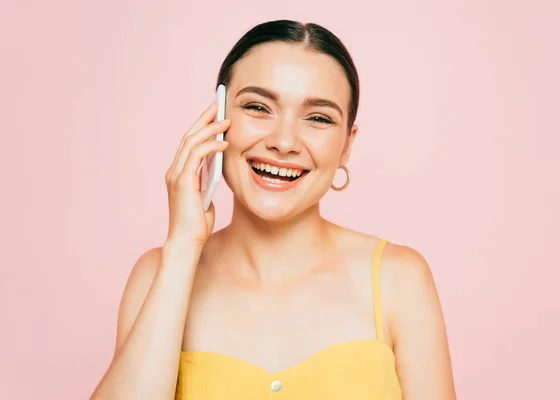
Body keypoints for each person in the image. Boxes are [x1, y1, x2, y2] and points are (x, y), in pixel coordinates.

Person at [90, 19, 457, 400]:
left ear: (347, 145)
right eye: (258, 107)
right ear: (216, 120)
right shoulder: (159, 273)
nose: (283, 142)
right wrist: (183, 247)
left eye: (318, 118)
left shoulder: (399, 279)